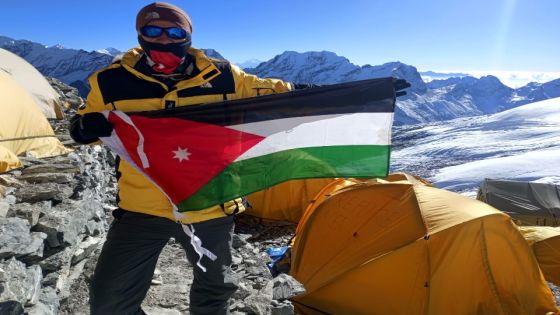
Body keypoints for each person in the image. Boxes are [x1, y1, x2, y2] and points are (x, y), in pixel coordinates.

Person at [69, 2, 299, 314]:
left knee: (214, 292)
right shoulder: (109, 82)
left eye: (174, 31)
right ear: (140, 34)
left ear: (187, 35)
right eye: (153, 31)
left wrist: (353, 95)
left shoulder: (225, 77)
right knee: (110, 301)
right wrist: (83, 127)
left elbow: (276, 92)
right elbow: (86, 121)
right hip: (142, 207)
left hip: (210, 203)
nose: (163, 39)